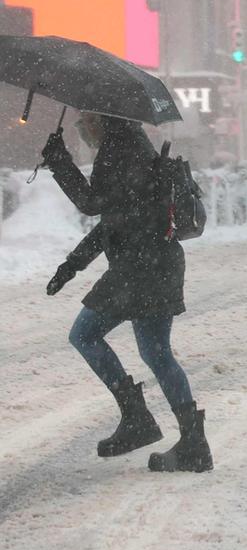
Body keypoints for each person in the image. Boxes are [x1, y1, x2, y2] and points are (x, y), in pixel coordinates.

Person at [41, 112, 213, 473]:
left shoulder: (120, 152)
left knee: (85, 335)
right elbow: (111, 223)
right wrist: (71, 266)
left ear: (103, 120)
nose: (84, 130)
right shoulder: (133, 150)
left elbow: (93, 205)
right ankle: (192, 442)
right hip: (155, 264)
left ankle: (138, 420)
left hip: (139, 268)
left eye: (85, 122)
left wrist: (59, 161)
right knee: (156, 353)